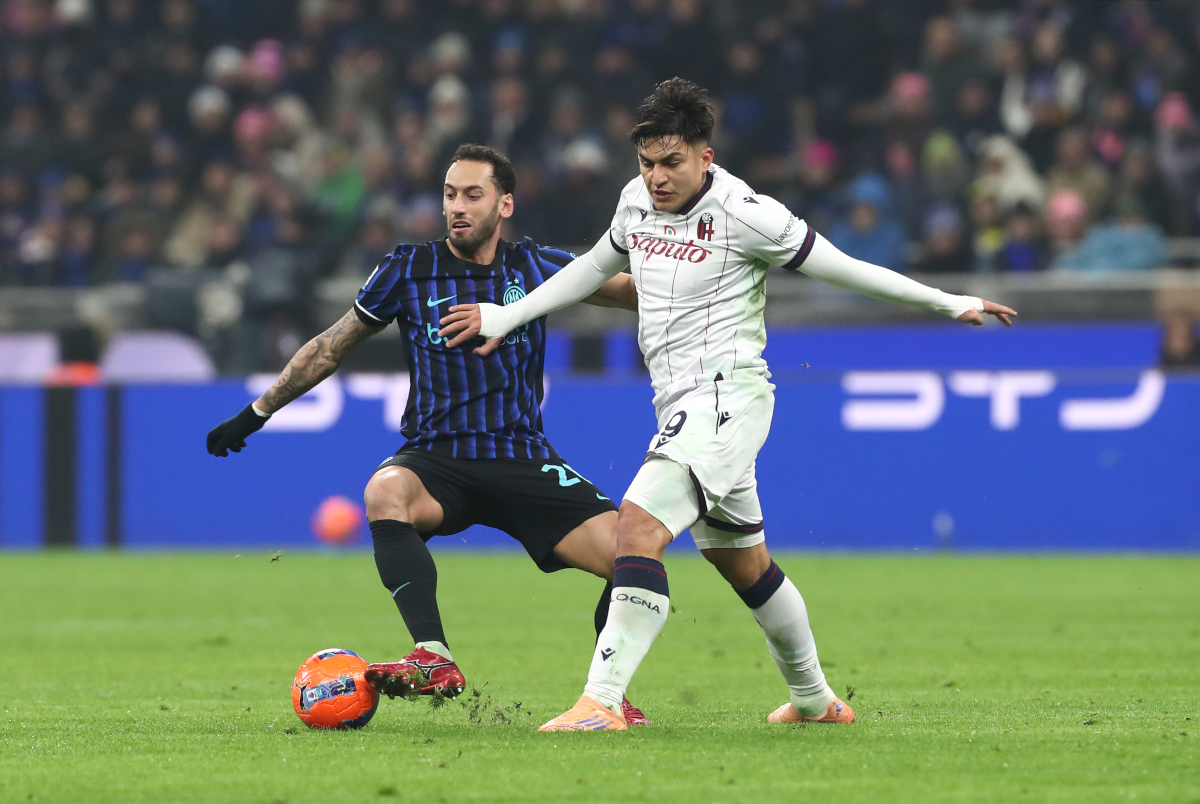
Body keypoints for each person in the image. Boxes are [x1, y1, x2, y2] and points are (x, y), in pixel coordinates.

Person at [440, 79, 1017, 731]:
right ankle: (816, 701)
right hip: (680, 403)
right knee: (745, 564)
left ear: (704, 156)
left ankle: (600, 701)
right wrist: (508, 316)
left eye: (671, 163)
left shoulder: (747, 214)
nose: (656, 177)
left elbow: (843, 266)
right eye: (647, 163)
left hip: (727, 397)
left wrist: (948, 302)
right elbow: (594, 267)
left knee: (637, 526)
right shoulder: (635, 202)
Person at [205, 144, 652, 725]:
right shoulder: (407, 267)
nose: (457, 207)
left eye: (473, 195)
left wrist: (705, 280)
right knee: (384, 491)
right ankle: (433, 656)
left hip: (519, 455)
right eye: (449, 195)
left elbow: (630, 293)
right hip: (437, 459)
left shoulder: (536, 265)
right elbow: (332, 345)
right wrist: (257, 411)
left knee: (636, 558)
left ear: (505, 203)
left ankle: (607, 695)